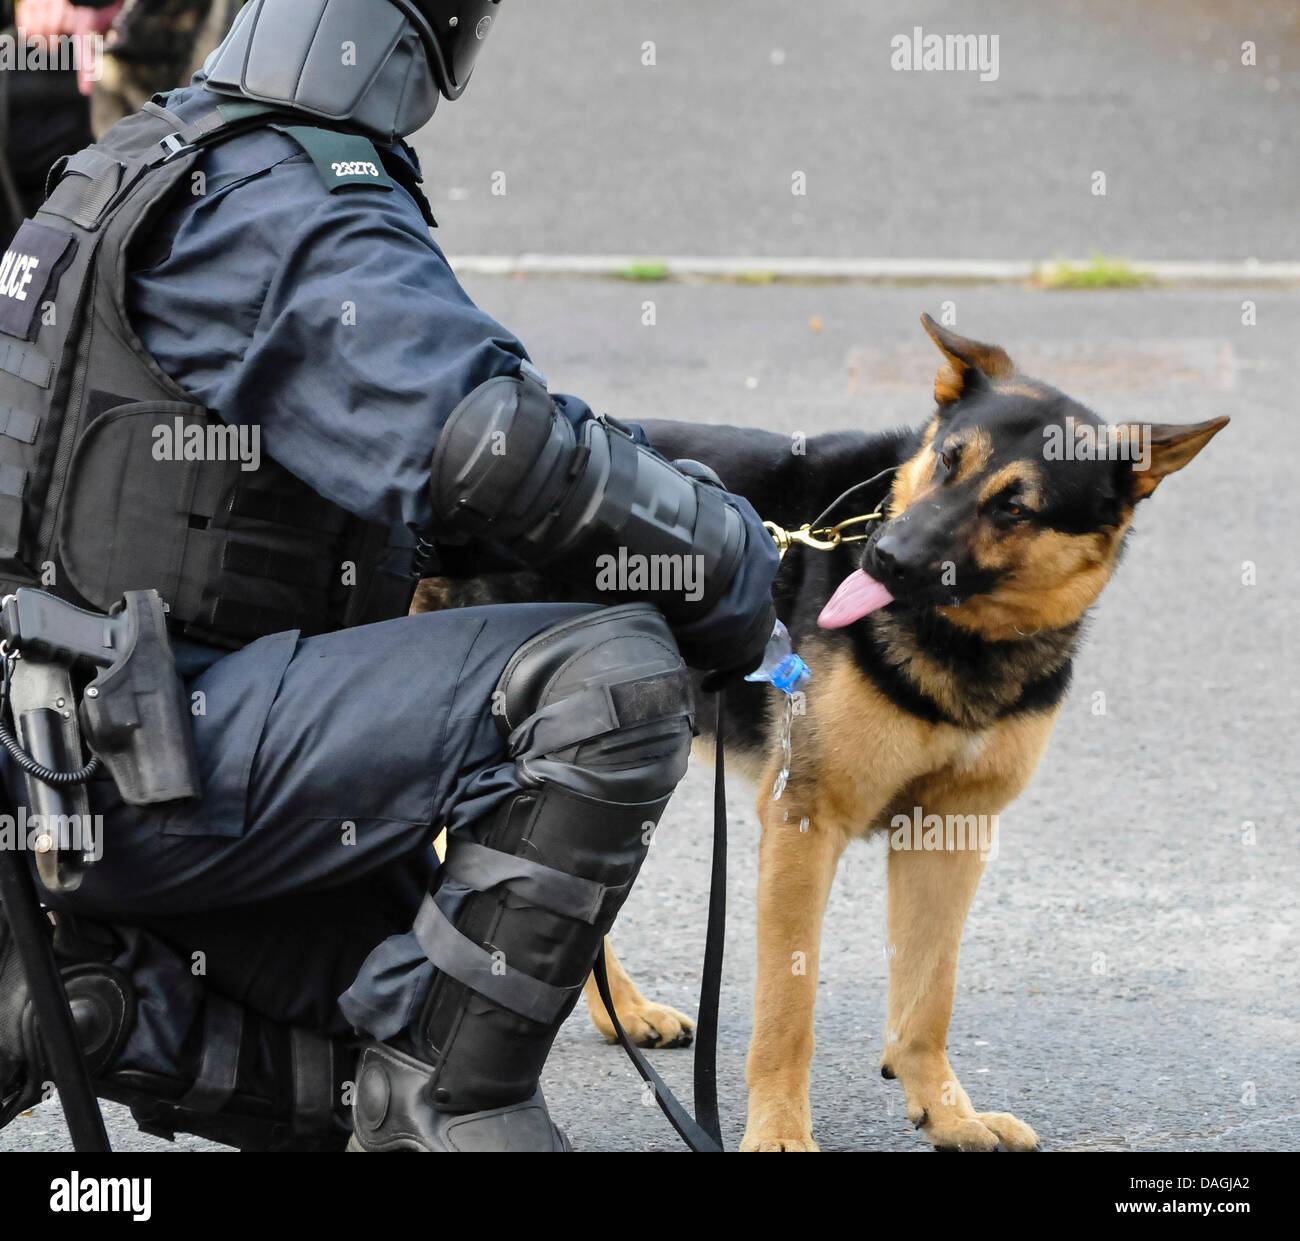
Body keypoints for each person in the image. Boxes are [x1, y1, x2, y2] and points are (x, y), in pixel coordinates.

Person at [0, 0, 778, 1152]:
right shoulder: (282, 190)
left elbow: (377, 485)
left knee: (422, 995)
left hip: (69, 753)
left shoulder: (139, 158)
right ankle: (448, 1118)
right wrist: (727, 562)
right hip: (129, 764)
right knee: (602, 681)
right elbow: (489, 449)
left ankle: (63, 996)